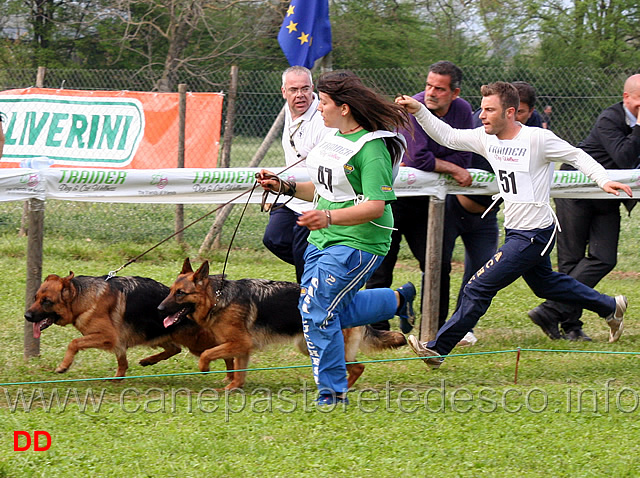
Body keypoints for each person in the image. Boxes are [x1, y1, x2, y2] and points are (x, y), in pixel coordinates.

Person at [397, 81, 632, 369]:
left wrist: (603, 179)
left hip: (535, 234)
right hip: (516, 230)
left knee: (478, 287)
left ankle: (437, 349)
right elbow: (447, 136)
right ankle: (610, 306)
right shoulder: (486, 138)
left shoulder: (537, 139)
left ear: (510, 112)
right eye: (481, 109)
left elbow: (576, 155)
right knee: (546, 285)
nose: (481, 115)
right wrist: (419, 110)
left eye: (489, 110)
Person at [257, 71, 415, 405]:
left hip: (360, 242)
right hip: (323, 236)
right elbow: (326, 188)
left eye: (324, 102)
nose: (319, 108)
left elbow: (375, 206)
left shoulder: (373, 149)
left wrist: (327, 216)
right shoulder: (334, 139)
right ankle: (398, 299)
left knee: (316, 310)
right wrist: (283, 186)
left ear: (344, 108)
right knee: (320, 309)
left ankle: (332, 393)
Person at [365, 61, 473, 334]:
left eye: (439, 88)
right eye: (428, 85)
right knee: (380, 263)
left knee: (437, 264)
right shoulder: (412, 106)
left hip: (430, 202)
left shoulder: (463, 111)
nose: (430, 93)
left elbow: (465, 153)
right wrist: (452, 167)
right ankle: (377, 328)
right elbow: (418, 157)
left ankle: (434, 327)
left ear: (455, 93)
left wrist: (447, 162)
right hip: (393, 197)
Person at [529, 74, 640, 341]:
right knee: (571, 261)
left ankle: (550, 311)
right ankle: (572, 327)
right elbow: (624, 156)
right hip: (577, 193)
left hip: (607, 195)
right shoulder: (609, 118)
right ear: (626, 97)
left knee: (604, 258)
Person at [262, 66, 335, 283]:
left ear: (312, 88)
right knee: (273, 239)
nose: (300, 95)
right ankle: (323, 267)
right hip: (291, 196)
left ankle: (312, 296)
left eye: (305, 89)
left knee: (304, 268)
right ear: (284, 91)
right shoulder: (289, 110)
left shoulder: (323, 120)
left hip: (315, 201)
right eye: (294, 90)